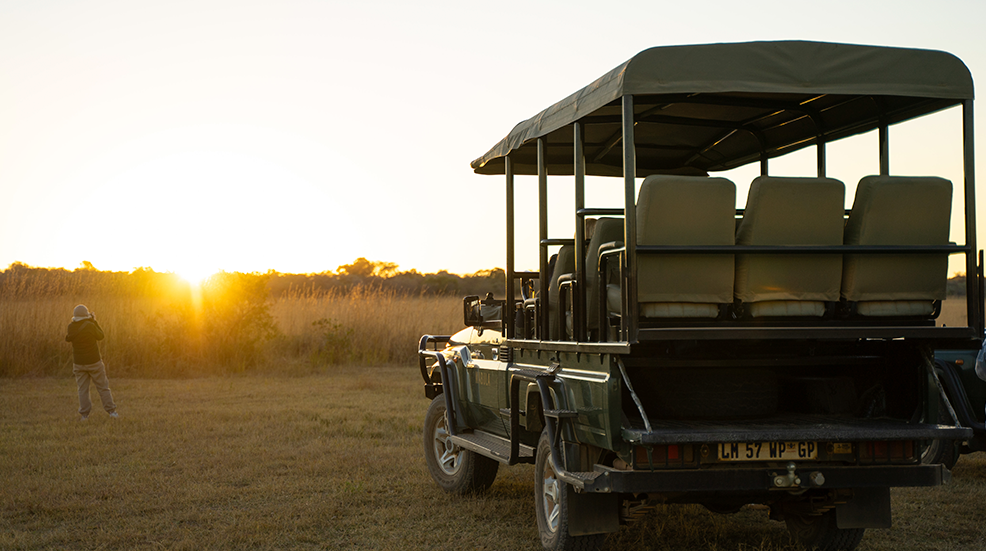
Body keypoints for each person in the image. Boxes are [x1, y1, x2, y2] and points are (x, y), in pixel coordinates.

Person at [65, 304, 118, 421]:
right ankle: (112, 412)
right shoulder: (90, 325)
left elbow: (69, 338)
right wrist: (94, 321)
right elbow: (101, 336)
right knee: (103, 387)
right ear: (86, 315)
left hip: (78, 363)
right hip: (94, 362)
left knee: (82, 389)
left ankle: (84, 415)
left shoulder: (71, 327)